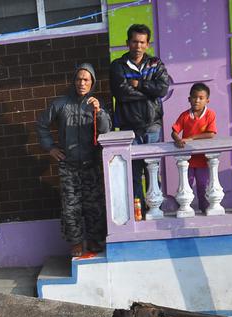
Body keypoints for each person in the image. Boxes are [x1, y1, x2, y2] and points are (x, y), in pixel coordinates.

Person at [37, 64, 111, 256]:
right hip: (69, 166)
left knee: (94, 205)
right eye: (79, 79)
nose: (82, 83)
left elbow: (106, 130)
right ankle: (76, 244)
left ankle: (95, 241)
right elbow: (42, 125)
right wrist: (51, 148)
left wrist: (99, 111)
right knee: (71, 207)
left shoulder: (97, 103)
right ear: (74, 81)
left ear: (92, 82)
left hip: (91, 165)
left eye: (86, 79)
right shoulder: (61, 103)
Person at [109, 24, 171, 213]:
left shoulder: (155, 63)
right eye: (134, 41)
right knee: (133, 173)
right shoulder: (117, 66)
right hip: (129, 128)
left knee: (152, 170)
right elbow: (121, 93)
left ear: (147, 44)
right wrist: (148, 92)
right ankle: (138, 213)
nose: (138, 46)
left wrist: (138, 84)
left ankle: (155, 211)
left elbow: (162, 89)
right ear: (127, 43)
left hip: (152, 125)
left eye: (142, 42)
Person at [171, 82, 218, 212]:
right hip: (187, 159)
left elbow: (211, 134)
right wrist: (178, 140)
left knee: (203, 186)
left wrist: (192, 138)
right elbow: (174, 131)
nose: (197, 100)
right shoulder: (185, 115)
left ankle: (204, 210)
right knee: (186, 186)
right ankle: (185, 211)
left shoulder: (210, 115)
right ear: (189, 99)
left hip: (203, 160)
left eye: (201, 98)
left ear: (207, 100)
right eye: (194, 97)